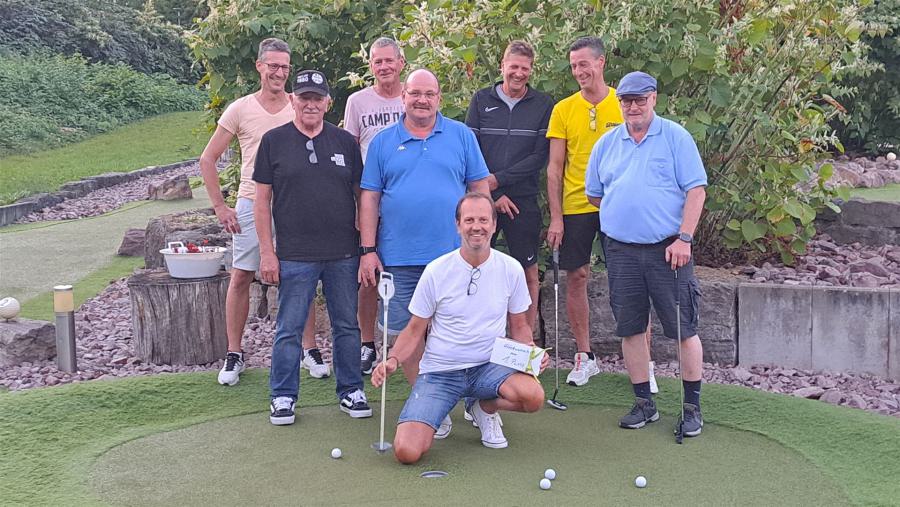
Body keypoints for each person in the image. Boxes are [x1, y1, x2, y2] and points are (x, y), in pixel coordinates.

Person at [358, 69, 491, 438]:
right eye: (415, 93)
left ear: (438, 98)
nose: (422, 100)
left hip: (456, 257)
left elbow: (479, 189)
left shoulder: (461, 135)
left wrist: (483, 240)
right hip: (399, 257)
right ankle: (431, 403)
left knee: (460, 331)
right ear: (403, 96)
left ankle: (473, 401)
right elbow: (369, 198)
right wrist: (368, 250)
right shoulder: (383, 142)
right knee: (407, 334)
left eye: (429, 94)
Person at [371, 193, 549, 464]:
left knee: (533, 397)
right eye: (469, 220)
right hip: (441, 373)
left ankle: (483, 407)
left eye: (483, 220)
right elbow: (414, 330)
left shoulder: (511, 269)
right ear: (458, 225)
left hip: (489, 367)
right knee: (406, 452)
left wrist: (531, 353)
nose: (476, 226)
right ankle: (438, 410)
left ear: (493, 224)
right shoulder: (437, 270)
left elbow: (520, 326)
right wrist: (393, 360)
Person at [584, 71, 707, 436]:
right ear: (619, 102)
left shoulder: (675, 137)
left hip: (670, 250)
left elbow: (696, 191)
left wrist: (684, 238)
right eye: (626, 100)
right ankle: (643, 403)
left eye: (639, 99)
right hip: (621, 251)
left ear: (654, 98)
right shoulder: (607, 144)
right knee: (630, 328)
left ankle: (691, 407)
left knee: (683, 328)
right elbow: (595, 194)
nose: (632, 106)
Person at [199, 38, 328, 386]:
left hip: (296, 204)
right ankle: (234, 352)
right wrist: (220, 206)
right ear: (259, 66)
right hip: (250, 201)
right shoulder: (239, 109)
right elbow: (207, 159)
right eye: (273, 65)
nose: (279, 73)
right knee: (242, 275)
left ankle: (309, 349)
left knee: (301, 274)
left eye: (284, 67)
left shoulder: (299, 105)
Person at [254, 70, 370, 425]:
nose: (310, 104)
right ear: (293, 100)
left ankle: (351, 390)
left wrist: (367, 246)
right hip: (294, 254)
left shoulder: (345, 142)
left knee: (346, 325)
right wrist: (267, 251)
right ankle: (283, 396)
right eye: (304, 97)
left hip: (343, 252)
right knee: (289, 328)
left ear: (327, 103)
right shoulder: (273, 141)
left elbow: (362, 196)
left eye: (317, 98)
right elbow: (261, 201)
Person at [546, 36, 630, 387]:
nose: (579, 71)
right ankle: (585, 356)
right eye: (574, 66)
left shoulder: (624, 104)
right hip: (575, 206)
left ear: (601, 63)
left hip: (619, 206)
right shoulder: (563, 109)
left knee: (629, 279)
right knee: (576, 276)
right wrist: (556, 217)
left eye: (584, 64)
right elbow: (554, 168)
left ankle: (642, 361)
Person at [465, 40, 553, 332]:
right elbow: (471, 150)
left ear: (531, 70)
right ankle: (476, 335)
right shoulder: (481, 99)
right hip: (482, 199)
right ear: (502, 66)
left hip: (523, 200)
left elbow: (539, 157)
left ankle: (524, 341)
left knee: (528, 271)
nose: (518, 73)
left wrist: (500, 180)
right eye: (513, 67)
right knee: (473, 266)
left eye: (525, 68)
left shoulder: (543, 104)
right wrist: (494, 192)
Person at [343, 37, 406, 376]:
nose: (384, 67)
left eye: (388, 60)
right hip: (370, 200)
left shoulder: (414, 96)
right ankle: (367, 343)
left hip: (406, 201)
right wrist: (357, 204)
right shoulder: (357, 102)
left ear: (401, 62)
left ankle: (413, 345)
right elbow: (352, 157)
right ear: (370, 66)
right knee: (368, 274)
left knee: (412, 272)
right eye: (377, 61)